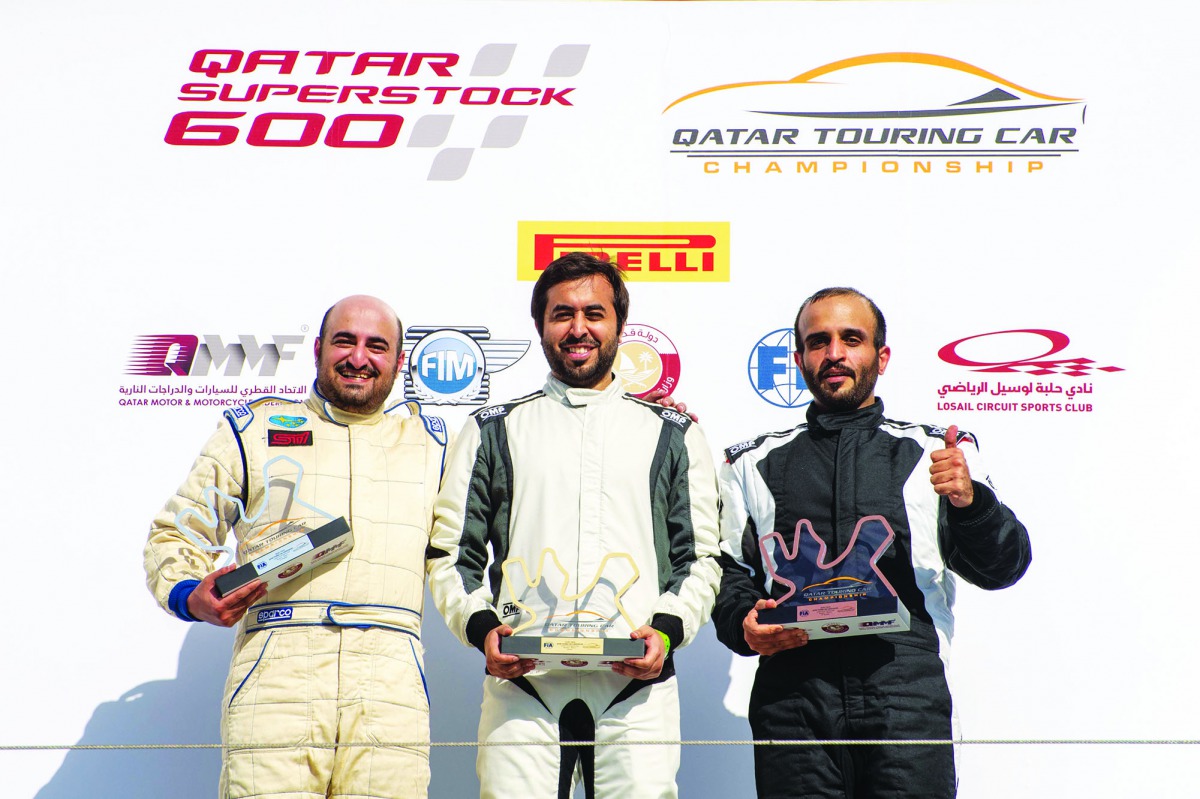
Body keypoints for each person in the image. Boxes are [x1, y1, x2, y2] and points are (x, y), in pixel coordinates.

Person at [713, 287, 1031, 799]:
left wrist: (971, 502)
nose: (834, 353)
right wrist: (743, 624)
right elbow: (729, 574)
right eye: (818, 342)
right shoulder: (749, 463)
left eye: (851, 339)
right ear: (798, 359)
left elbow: (1003, 567)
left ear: (881, 357)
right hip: (793, 702)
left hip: (906, 696)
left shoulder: (937, 452)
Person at [426, 252, 722, 799]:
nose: (578, 328)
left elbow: (701, 557)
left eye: (594, 313)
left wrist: (665, 632)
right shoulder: (492, 429)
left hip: (635, 686)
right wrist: (482, 628)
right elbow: (450, 554)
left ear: (620, 325)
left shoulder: (674, 433)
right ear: (540, 325)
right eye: (562, 314)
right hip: (525, 684)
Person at [143, 295, 448, 799]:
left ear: (399, 362)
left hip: (390, 680)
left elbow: (464, 556)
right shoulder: (252, 431)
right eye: (345, 341)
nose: (358, 357)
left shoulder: (433, 444)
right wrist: (188, 594)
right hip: (277, 673)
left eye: (376, 346)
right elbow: (176, 532)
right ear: (318, 349)